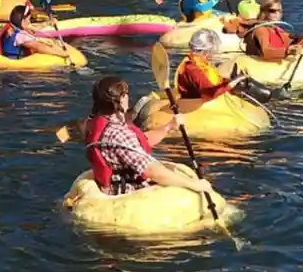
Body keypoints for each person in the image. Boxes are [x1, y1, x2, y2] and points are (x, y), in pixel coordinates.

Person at [84, 75, 212, 196]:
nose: (128, 97)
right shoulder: (119, 134)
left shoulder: (97, 124)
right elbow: (152, 171)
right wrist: (194, 185)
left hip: (112, 184)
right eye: (125, 94)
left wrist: (168, 127)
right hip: (128, 192)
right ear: (120, 99)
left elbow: (139, 142)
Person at [223, 0, 303, 61]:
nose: (277, 14)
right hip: (257, 66)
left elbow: (296, 43)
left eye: (279, 11)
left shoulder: (277, 29)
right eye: (272, 11)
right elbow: (266, 52)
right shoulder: (260, 30)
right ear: (264, 12)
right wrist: (288, 51)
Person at [0, 3, 69, 59]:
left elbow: (32, 29)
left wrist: (48, 23)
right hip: (16, 66)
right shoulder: (21, 36)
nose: (29, 22)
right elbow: (39, 47)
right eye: (28, 19)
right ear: (23, 21)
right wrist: (62, 54)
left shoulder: (14, 29)